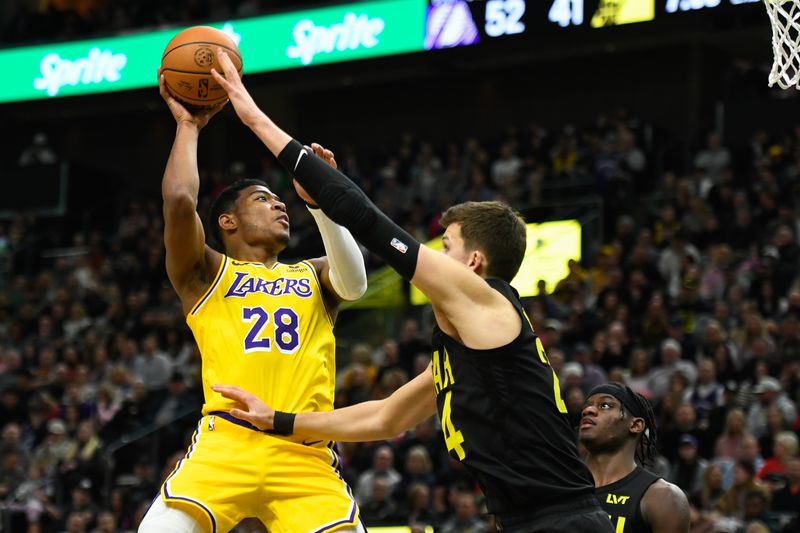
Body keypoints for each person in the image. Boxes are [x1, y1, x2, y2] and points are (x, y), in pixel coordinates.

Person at [209, 49, 613, 532]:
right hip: (526, 521)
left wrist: (252, 115)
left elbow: (368, 220)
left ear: (473, 263)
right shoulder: (466, 349)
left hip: (560, 521)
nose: (436, 258)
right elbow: (382, 418)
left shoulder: (486, 302)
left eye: (446, 246)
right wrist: (279, 420)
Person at [138, 69, 368, 533]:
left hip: (304, 452)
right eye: (264, 199)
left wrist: (321, 202)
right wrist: (188, 127)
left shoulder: (314, 273)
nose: (281, 205)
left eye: (282, 200)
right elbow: (180, 200)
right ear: (227, 222)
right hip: (227, 445)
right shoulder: (205, 274)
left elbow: (356, 283)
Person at [579, 382, 690, 533]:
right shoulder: (559, 483)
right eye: (587, 406)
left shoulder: (663, 497)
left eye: (605, 405)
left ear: (635, 425)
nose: (588, 410)